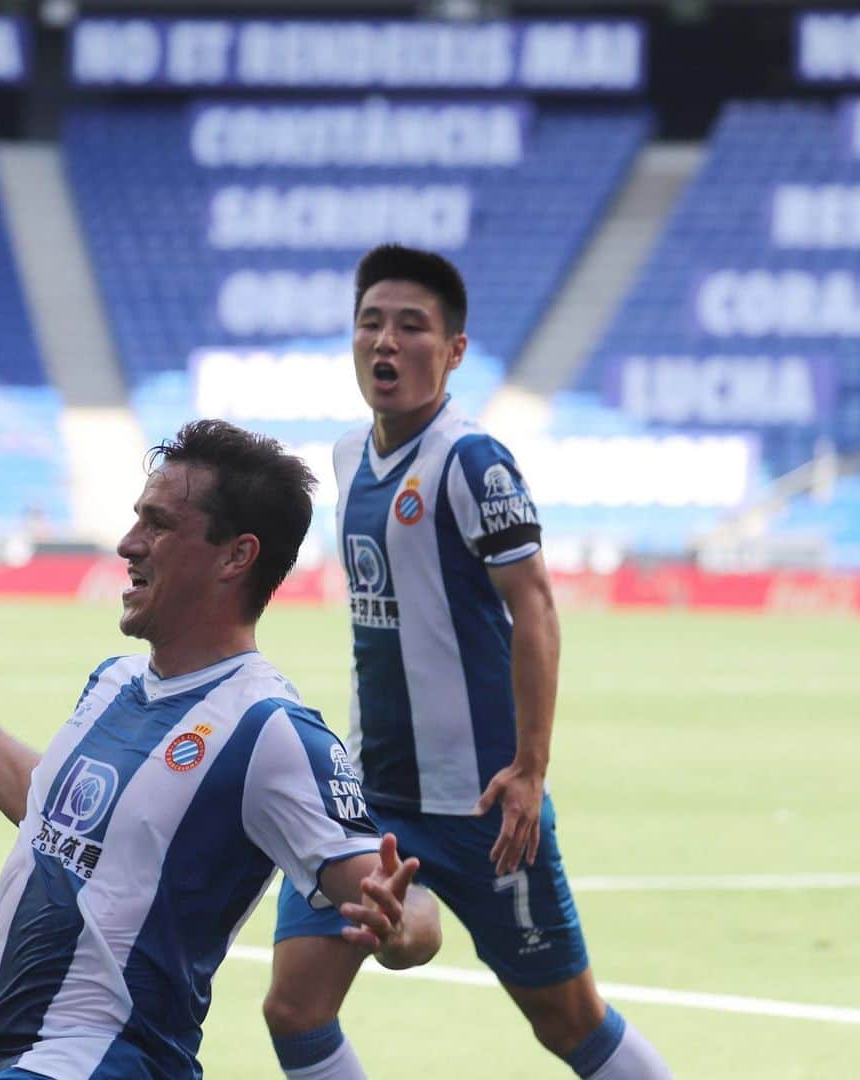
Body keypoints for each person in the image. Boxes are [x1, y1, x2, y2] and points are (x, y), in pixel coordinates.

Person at [0, 419, 441, 1080]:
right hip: (5, 1053)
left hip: (102, 1061)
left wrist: (402, 930)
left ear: (235, 557)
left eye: (158, 525)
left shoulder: (268, 730)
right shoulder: (115, 681)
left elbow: (405, 905)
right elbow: (53, 808)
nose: (128, 544)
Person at [263, 246, 674, 1079]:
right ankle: (412, 920)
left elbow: (537, 607)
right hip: (368, 796)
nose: (386, 342)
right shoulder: (348, 458)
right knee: (295, 1009)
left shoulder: (472, 461)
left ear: (452, 351)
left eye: (411, 327)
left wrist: (530, 769)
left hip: (483, 806)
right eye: (371, 323)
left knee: (569, 1022)